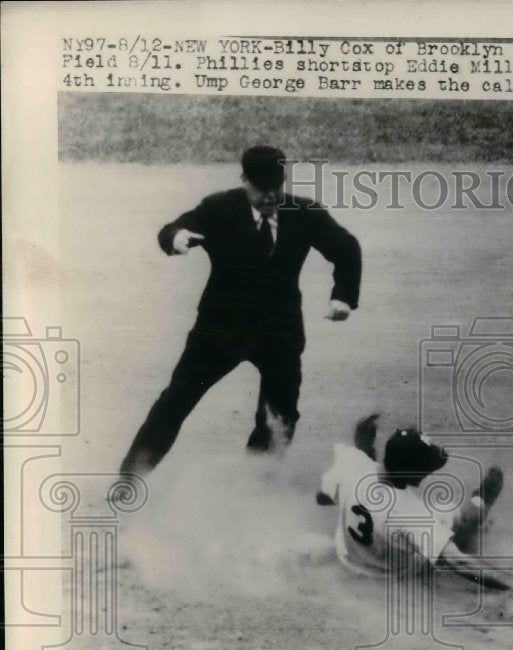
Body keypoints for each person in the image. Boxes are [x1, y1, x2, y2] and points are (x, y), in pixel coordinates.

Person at [120, 146, 361, 476]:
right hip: (219, 329)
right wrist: (176, 237)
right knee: (176, 401)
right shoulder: (220, 208)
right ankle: (129, 481)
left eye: (276, 187)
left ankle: (254, 485)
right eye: (261, 189)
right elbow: (175, 227)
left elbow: (346, 248)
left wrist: (343, 297)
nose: (270, 196)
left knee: (280, 414)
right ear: (244, 180)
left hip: (280, 332)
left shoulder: (304, 212)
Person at [316, 414, 513, 591]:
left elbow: (323, 498)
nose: (429, 472)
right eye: (425, 468)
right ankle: (480, 501)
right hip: (390, 571)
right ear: (407, 471)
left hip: (347, 556)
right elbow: (460, 564)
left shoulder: (352, 464)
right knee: (458, 516)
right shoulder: (412, 514)